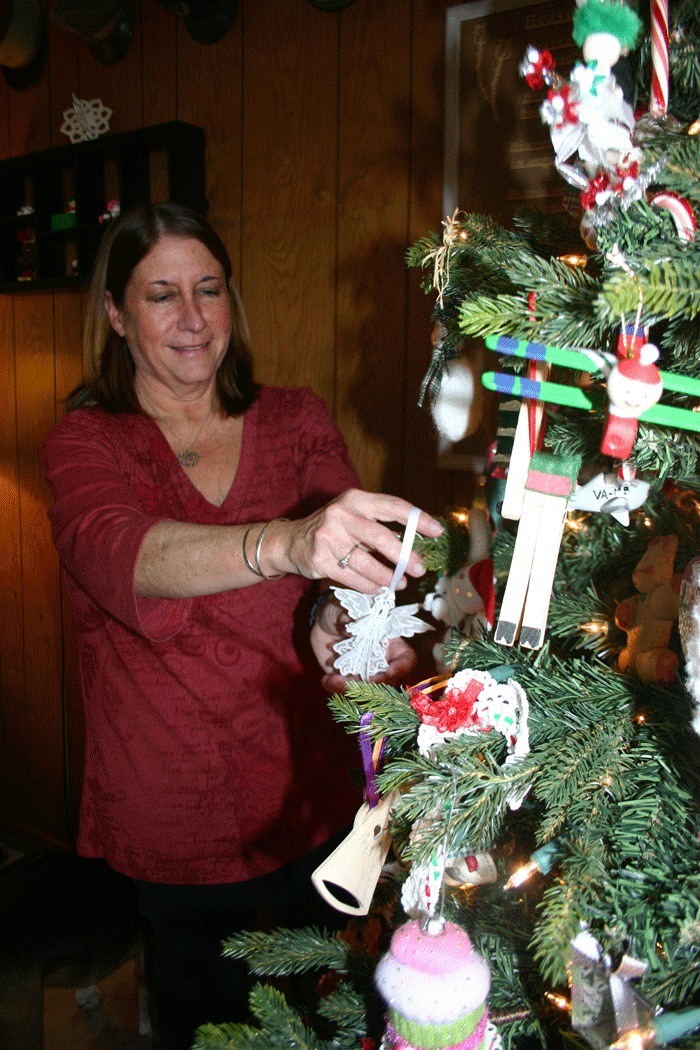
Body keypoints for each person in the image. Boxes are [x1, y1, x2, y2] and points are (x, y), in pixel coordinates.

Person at [42, 202, 442, 1050]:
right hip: (176, 811)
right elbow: (124, 555)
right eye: (161, 295)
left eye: (209, 289)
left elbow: (344, 570)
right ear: (115, 315)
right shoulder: (86, 443)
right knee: (210, 1027)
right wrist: (287, 544)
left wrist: (345, 618)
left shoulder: (295, 420)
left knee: (333, 1013)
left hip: (313, 789)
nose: (192, 318)